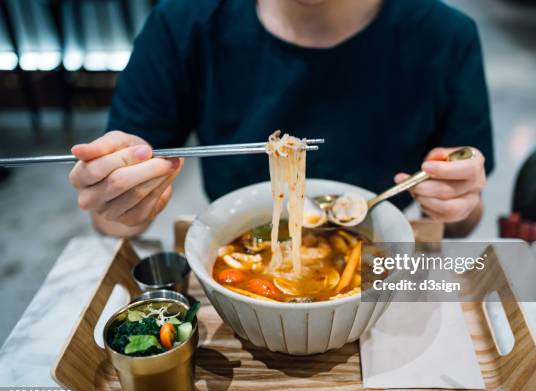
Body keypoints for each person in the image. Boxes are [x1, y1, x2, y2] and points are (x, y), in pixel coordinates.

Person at [69, 0, 493, 238]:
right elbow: (111, 221)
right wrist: (118, 200)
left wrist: (454, 202)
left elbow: (464, 220)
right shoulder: (183, 24)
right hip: (240, 244)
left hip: (378, 259)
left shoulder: (446, 37)